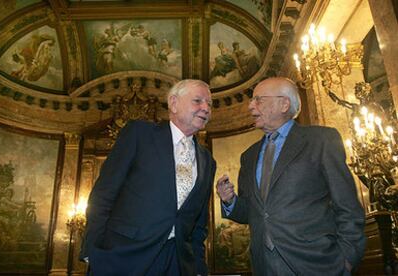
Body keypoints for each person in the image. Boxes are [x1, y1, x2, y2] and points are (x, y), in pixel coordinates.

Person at [216, 77, 366, 275]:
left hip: (318, 264)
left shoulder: (320, 140)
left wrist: (346, 259)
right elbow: (255, 213)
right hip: (264, 266)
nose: (250, 106)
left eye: (258, 99)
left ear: (284, 104)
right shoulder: (248, 156)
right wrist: (230, 201)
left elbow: (347, 205)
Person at [80, 79, 216, 276]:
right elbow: (103, 195)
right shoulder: (139, 134)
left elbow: (199, 225)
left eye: (209, 104)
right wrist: (92, 252)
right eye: (198, 101)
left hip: (178, 263)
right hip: (125, 256)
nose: (206, 108)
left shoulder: (208, 161)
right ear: (174, 103)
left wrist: (198, 269)